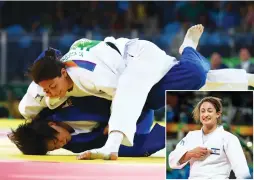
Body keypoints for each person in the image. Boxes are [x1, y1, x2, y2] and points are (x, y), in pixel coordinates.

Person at [19, 24, 210, 160]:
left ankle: (188, 48)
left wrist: (114, 130)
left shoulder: (90, 76)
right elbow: (26, 110)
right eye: (54, 147)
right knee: (154, 102)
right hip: (138, 105)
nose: (50, 93)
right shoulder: (40, 94)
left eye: (53, 86)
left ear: (63, 73)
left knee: (195, 74)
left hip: (134, 58)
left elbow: (127, 92)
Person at [9, 96, 164, 158]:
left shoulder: (63, 102)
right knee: (134, 150)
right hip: (139, 119)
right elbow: (109, 147)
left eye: (56, 141)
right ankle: (173, 133)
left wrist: (117, 117)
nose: (61, 145)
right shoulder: (75, 146)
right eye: (54, 148)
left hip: (133, 95)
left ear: (52, 124)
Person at [168, 96, 251, 179]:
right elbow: (172, 161)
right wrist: (191, 154)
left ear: (218, 114)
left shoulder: (229, 138)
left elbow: (242, 171)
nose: (205, 114)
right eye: (202, 111)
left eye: (210, 111)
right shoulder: (191, 136)